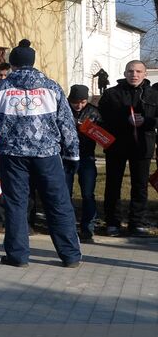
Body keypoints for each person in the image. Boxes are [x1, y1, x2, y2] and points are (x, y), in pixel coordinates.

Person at [0, 39, 83, 268]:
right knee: (58, 202)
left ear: (12, 63)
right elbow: (66, 124)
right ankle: (70, 255)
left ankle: (18, 256)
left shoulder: (0, 88)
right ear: (33, 62)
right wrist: (73, 153)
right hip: (47, 154)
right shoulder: (51, 87)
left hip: (12, 155)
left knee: (16, 204)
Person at [97, 60, 158, 237]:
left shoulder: (154, 94)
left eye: (139, 71)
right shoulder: (111, 94)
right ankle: (112, 222)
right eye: (131, 71)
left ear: (145, 74)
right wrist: (125, 121)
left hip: (143, 146)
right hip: (117, 145)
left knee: (140, 186)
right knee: (113, 185)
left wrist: (146, 121)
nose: (134, 74)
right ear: (124, 73)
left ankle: (136, 223)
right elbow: (102, 119)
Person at [66, 85, 100, 241]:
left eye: (83, 101)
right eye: (75, 102)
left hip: (86, 156)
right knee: (66, 193)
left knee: (88, 193)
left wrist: (90, 128)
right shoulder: (63, 109)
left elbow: (103, 134)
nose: (79, 105)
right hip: (66, 156)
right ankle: (68, 226)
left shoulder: (93, 112)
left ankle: (87, 227)